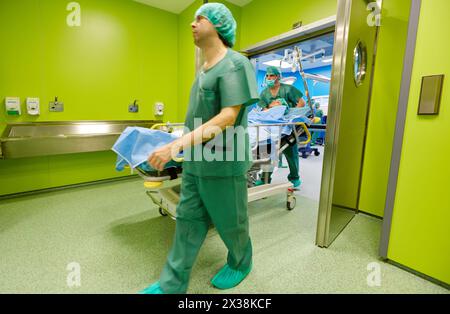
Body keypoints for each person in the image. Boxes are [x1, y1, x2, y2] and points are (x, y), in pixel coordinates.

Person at [139, 3, 259, 294]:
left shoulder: (235, 64)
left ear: (218, 26)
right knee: (188, 223)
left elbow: (228, 117)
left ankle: (241, 262)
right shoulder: (203, 72)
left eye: (199, 18)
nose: (192, 24)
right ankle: (172, 283)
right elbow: (196, 121)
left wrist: (176, 145)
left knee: (232, 223)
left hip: (224, 162)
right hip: (196, 164)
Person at [255, 66, 305, 188]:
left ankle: (294, 178)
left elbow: (301, 103)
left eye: (271, 75)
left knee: (290, 153)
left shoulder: (288, 89)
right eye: (267, 75)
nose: (268, 78)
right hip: (271, 126)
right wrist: (272, 108)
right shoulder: (264, 93)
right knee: (270, 153)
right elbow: (264, 109)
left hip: (287, 126)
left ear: (278, 76)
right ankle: (265, 178)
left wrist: (289, 114)